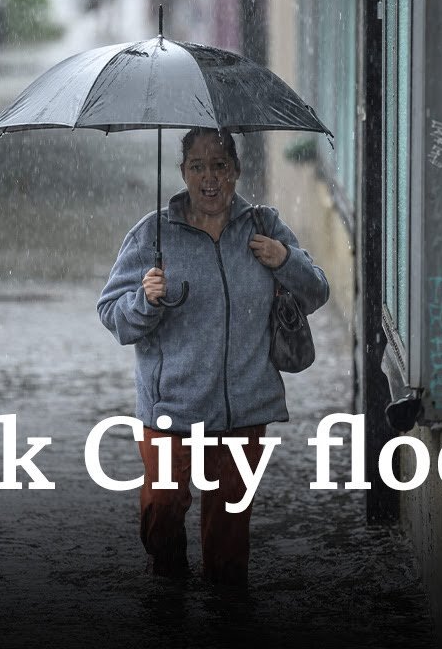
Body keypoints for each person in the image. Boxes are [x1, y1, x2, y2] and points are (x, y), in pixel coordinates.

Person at [97, 128, 330, 586]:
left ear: (237, 172)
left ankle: (227, 611)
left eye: (220, 166)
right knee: (162, 509)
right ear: (182, 172)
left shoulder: (263, 226)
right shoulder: (153, 235)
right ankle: (167, 587)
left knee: (228, 539)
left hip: (245, 407)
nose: (209, 178)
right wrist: (146, 301)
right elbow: (113, 315)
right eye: (198, 166)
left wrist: (285, 259)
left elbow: (317, 290)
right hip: (172, 408)